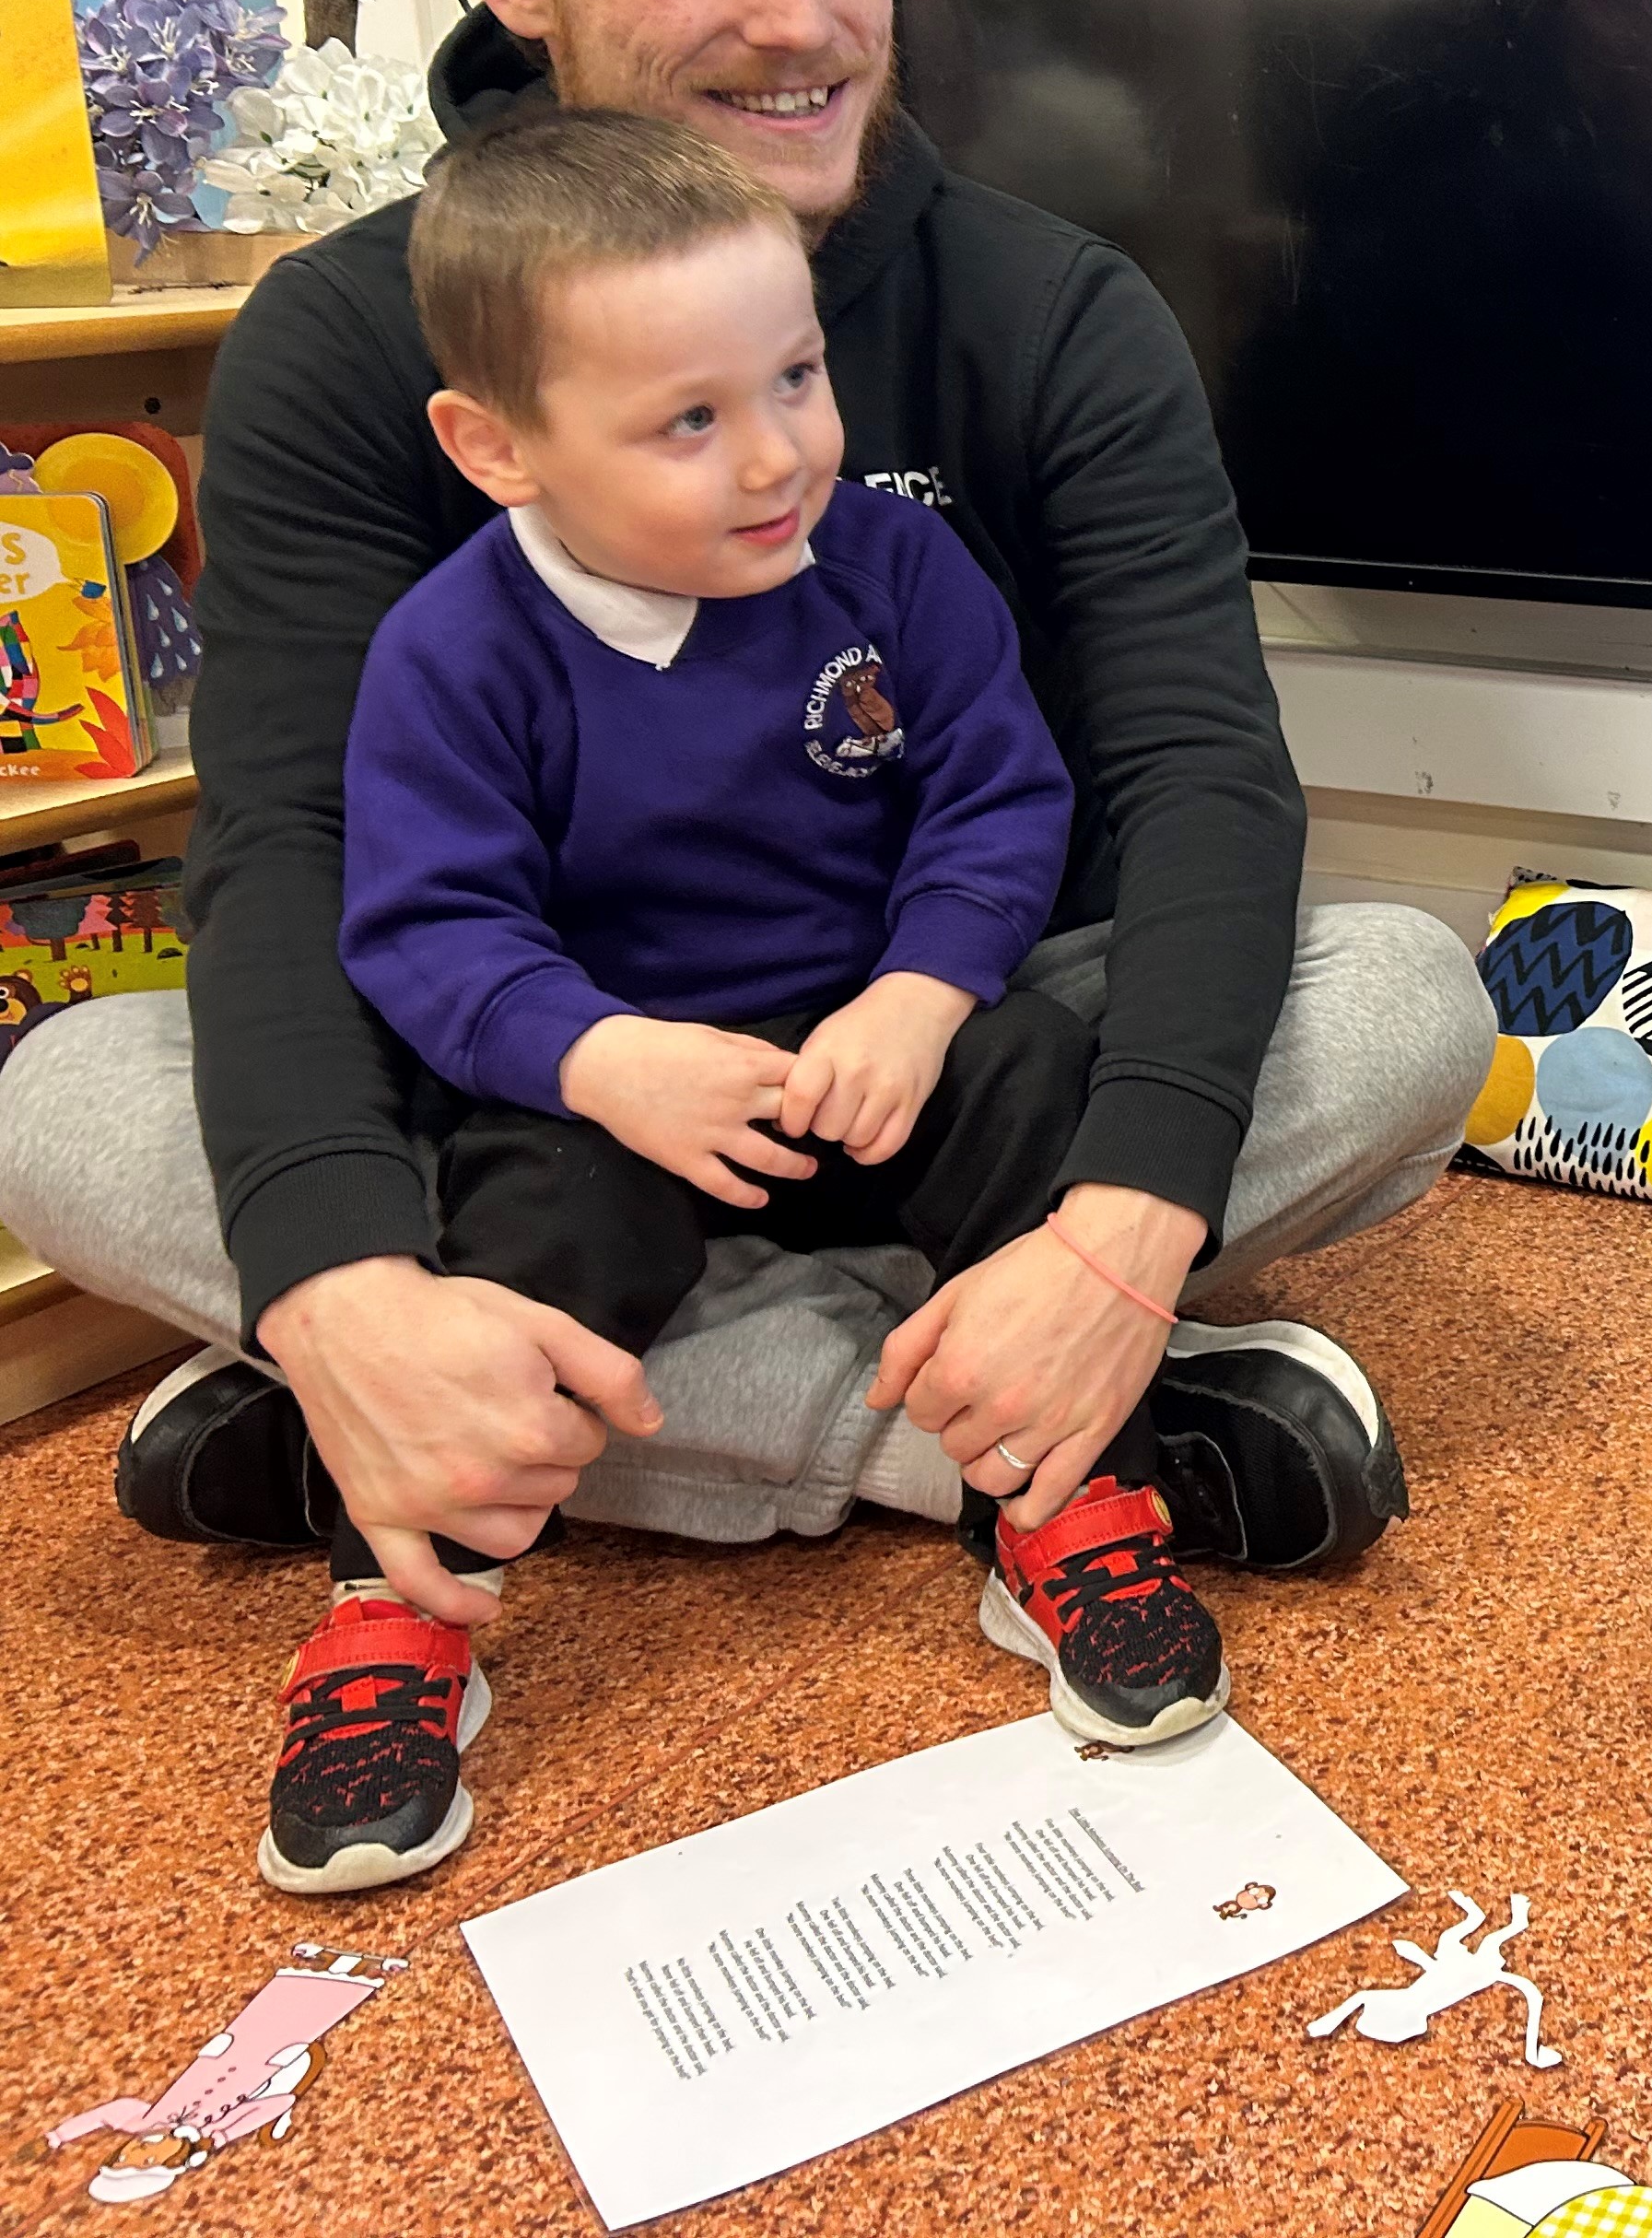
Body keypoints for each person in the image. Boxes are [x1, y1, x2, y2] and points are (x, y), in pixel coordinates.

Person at [0, 0, 1495, 1614]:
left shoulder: (1051, 310)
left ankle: (471, 1433)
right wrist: (345, 1278)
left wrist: (1121, 1226)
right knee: (58, 1104)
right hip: (528, 1097)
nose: (802, 22)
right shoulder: (349, 341)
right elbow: (291, 848)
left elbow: (1207, 781)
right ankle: (1005, 1437)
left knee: (1410, 1002)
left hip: (959, 1066)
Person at [261, 110, 1233, 1893]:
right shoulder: (453, 652)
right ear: (499, 451)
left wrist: (925, 997)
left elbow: (1003, 800)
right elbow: (422, 929)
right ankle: (398, 1589)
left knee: (1056, 1071)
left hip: (879, 1060)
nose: (778, 455)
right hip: (626, 1105)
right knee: (501, 1219)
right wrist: (606, 1061)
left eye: (796, 377)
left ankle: (1062, 1481)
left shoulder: (893, 570)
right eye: (690, 423)